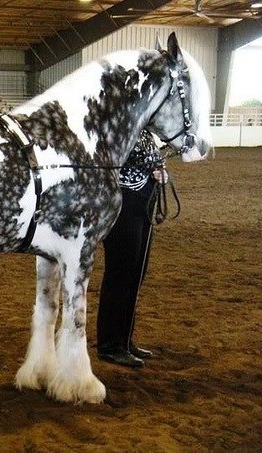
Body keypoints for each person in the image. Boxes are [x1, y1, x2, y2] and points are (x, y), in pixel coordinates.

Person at [97, 130, 168, 368]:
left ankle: (124, 340)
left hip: (143, 206)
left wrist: (158, 170)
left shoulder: (146, 133)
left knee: (135, 275)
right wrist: (152, 164)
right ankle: (110, 345)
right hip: (122, 206)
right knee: (120, 275)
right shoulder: (121, 127)